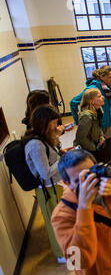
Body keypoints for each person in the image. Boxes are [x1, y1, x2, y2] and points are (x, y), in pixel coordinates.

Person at [24, 104, 65, 263]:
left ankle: (65, 248)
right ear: (44, 124)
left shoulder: (43, 138)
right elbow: (45, 172)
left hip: (55, 186)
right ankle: (61, 254)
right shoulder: (35, 145)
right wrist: (62, 160)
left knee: (61, 219)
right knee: (55, 223)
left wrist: (57, 138)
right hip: (48, 189)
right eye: (53, 123)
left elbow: (52, 152)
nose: (56, 126)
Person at [70, 65, 111, 163]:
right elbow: (73, 102)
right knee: (102, 154)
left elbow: (109, 105)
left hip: (109, 123)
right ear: (102, 77)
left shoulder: (110, 88)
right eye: (110, 77)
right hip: (99, 125)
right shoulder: (92, 89)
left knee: (109, 151)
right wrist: (78, 121)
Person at [74, 88, 106, 163]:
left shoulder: (97, 111)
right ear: (92, 101)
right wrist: (94, 148)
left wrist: (101, 135)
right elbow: (81, 138)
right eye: (99, 96)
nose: (103, 97)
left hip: (93, 145)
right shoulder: (87, 116)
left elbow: (97, 127)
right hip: (87, 150)